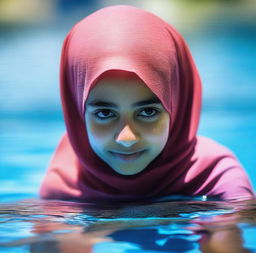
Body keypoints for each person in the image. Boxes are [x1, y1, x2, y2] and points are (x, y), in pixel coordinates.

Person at [39, 5, 254, 202]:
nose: (126, 139)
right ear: (77, 111)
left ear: (177, 106)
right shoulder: (65, 182)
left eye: (148, 111)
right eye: (105, 113)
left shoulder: (215, 178)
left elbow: (231, 236)